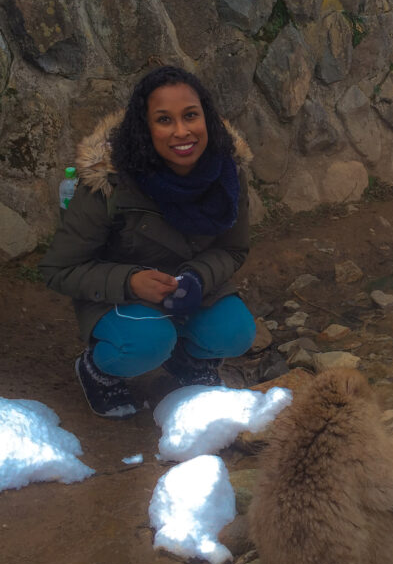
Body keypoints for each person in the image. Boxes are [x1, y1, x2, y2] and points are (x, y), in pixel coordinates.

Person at [40, 65, 257, 418]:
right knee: (146, 344)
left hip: (192, 288)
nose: (182, 131)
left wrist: (198, 278)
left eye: (190, 116)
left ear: (207, 117)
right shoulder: (109, 181)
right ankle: (98, 371)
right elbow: (59, 269)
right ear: (145, 127)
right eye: (164, 120)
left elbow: (232, 249)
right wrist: (131, 281)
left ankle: (188, 361)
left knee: (236, 333)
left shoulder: (227, 173)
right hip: (121, 296)